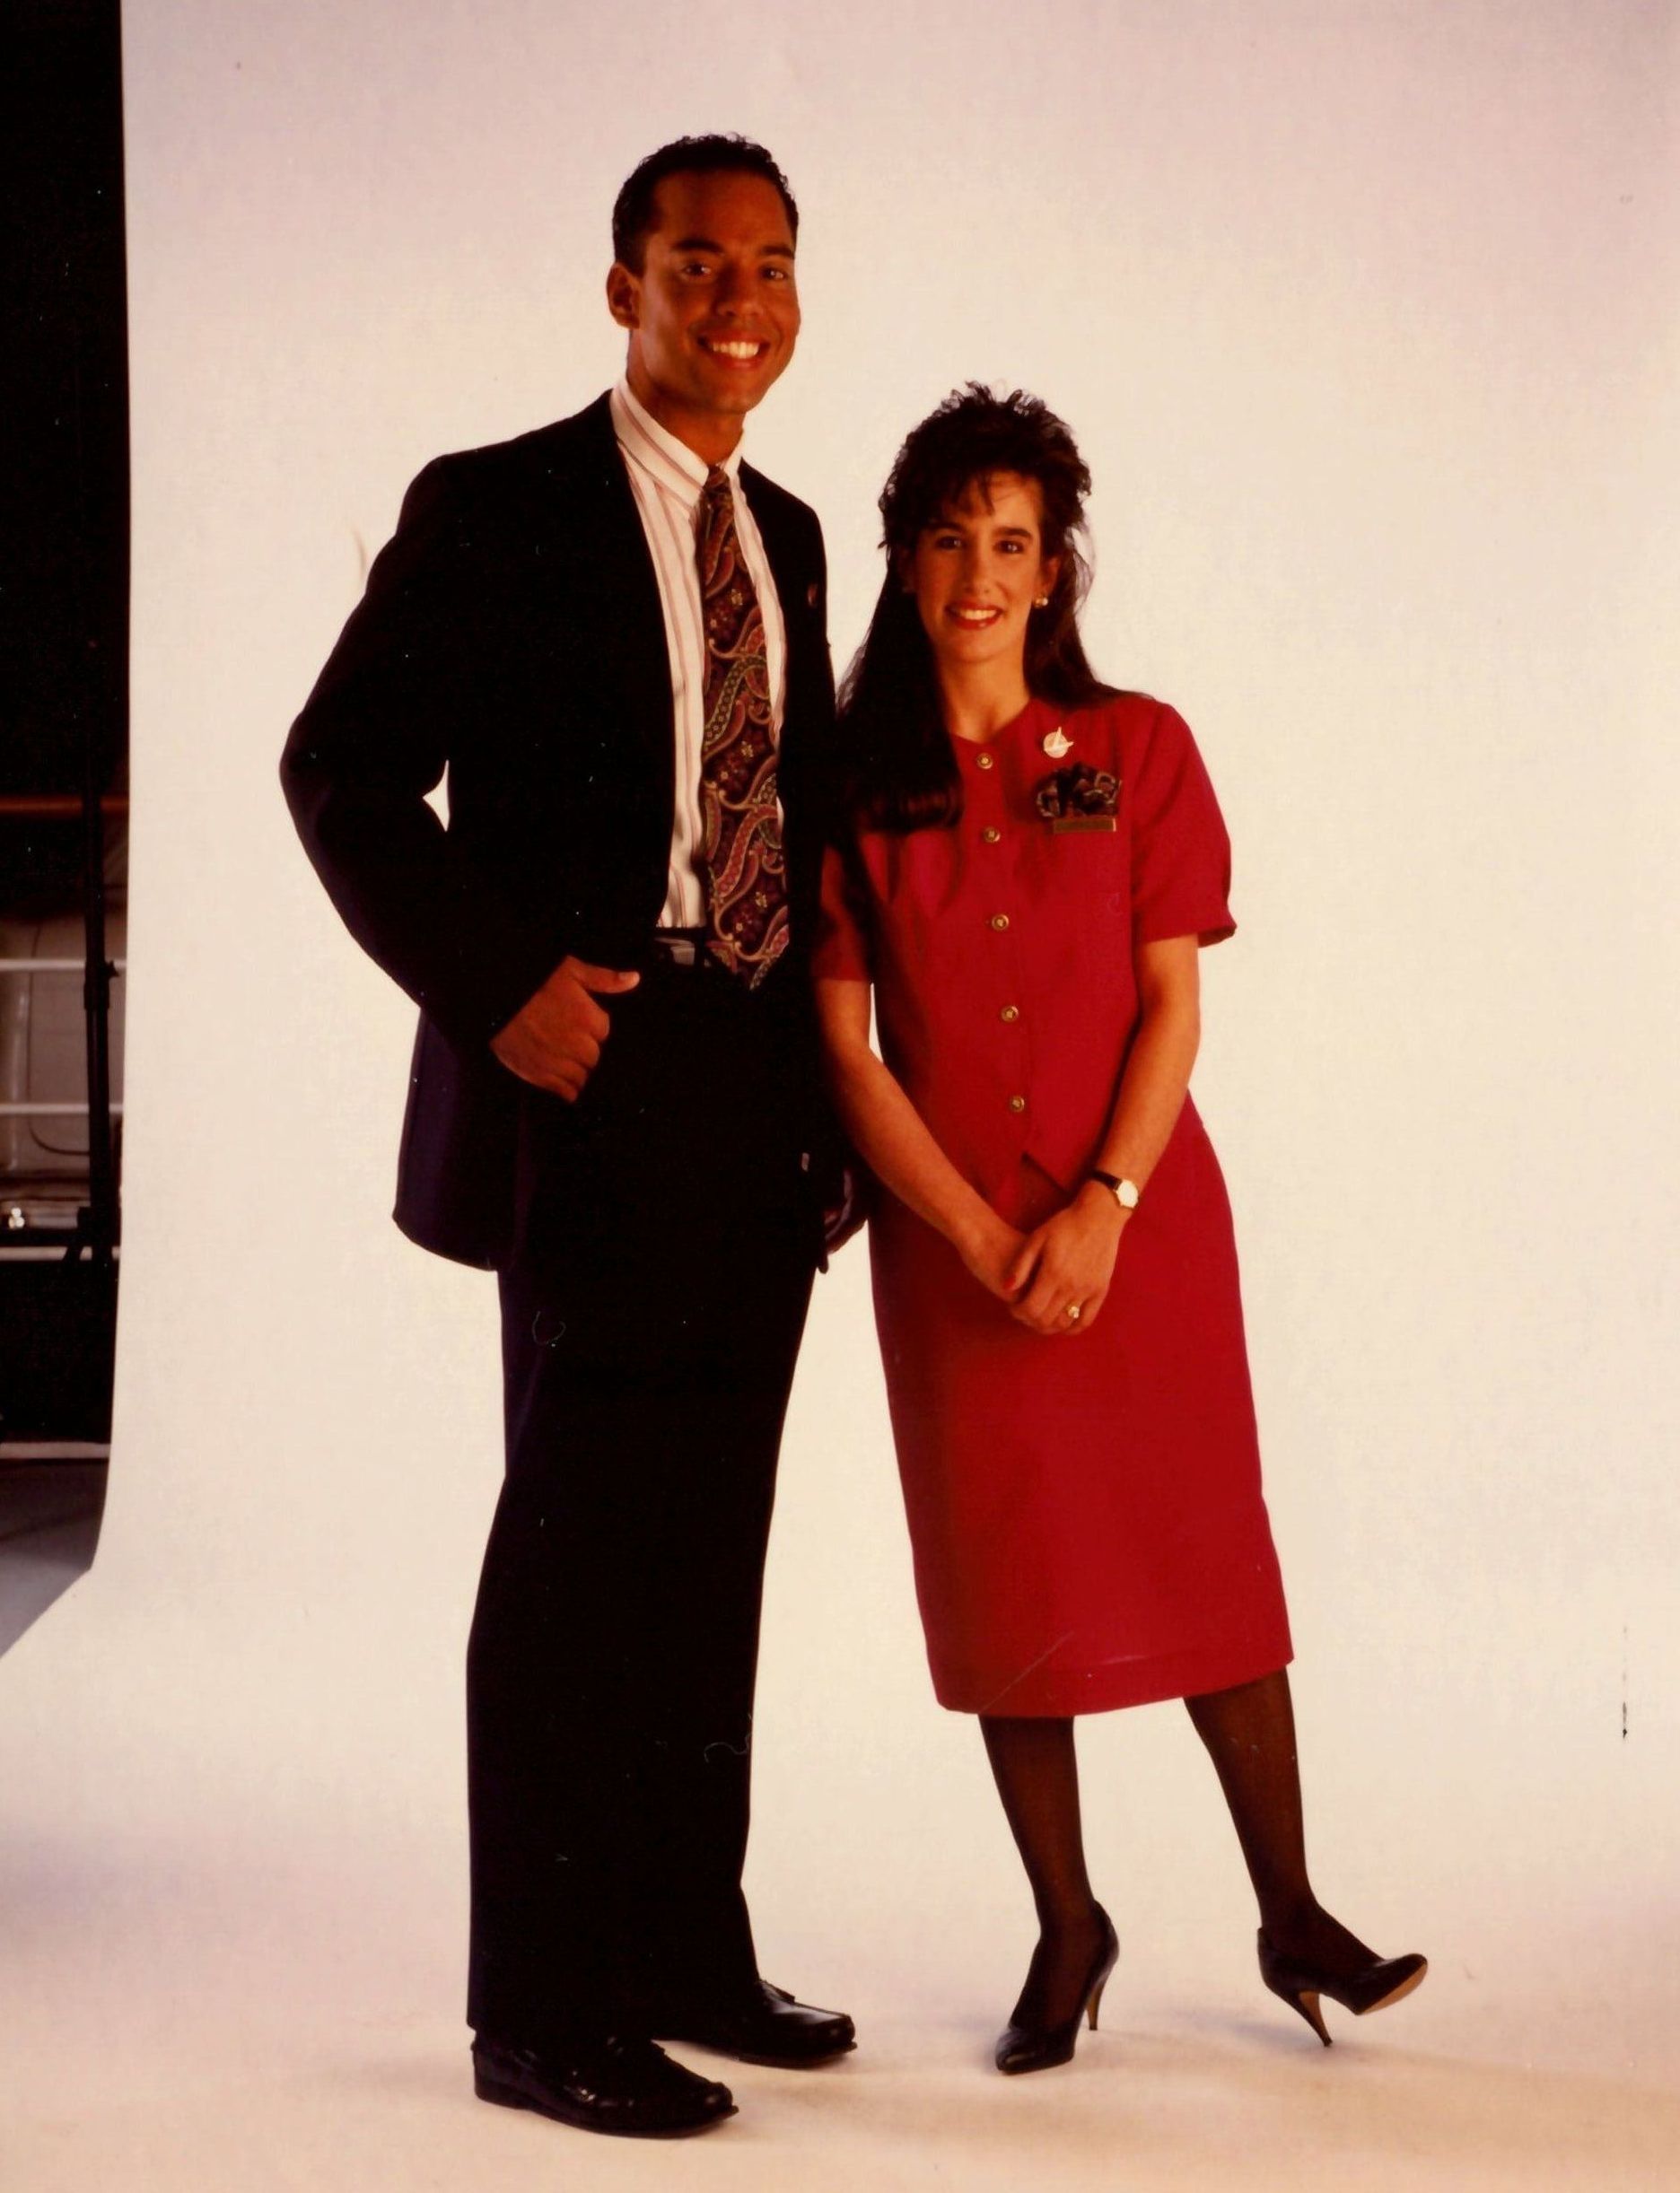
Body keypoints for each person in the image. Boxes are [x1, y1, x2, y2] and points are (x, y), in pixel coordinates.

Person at [281, 135, 856, 2140]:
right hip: (587, 1063)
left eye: (769, 265)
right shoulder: (500, 504)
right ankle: (534, 2008)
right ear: (625, 289)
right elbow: (339, 769)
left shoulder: (789, 535)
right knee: (576, 1547)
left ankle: (682, 1943)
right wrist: (498, 979)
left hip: (755, 1082)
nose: (737, 301)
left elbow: (804, 818)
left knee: (714, 1537)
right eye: (697, 263)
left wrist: (832, 1108)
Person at [813, 385, 1425, 2075]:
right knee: (1004, 1569)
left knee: (1202, 1548)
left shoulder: (1135, 749)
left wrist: (1099, 1208)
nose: (980, 576)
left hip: (1141, 1229)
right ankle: (1066, 1923)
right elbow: (845, 1054)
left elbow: (1172, 1006)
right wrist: (971, 1236)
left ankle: (1291, 1913)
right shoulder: (851, 786)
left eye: (1012, 543)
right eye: (950, 540)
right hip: (951, 1248)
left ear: (1055, 569)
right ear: (903, 560)